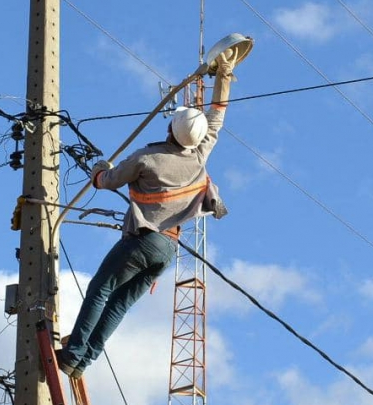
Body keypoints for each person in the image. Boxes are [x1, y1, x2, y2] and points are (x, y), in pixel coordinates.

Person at [57, 49, 239, 378]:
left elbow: (105, 181)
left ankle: (72, 354)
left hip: (142, 241)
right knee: (121, 303)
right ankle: (83, 362)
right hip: (167, 250)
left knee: (101, 289)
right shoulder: (200, 155)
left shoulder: (147, 159)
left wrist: (99, 169)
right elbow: (219, 114)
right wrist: (224, 74)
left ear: (171, 129)